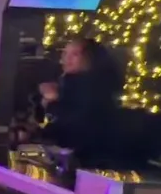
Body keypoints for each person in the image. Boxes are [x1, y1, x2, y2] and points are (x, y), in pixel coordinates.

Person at [39, 36, 123, 166]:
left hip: (89, 160)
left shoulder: (92, 88)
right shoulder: (69, 83)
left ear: (90, 58)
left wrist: (52, 103)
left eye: (75, 54)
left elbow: (76, 125)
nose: (67, 58)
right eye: (65, 53)